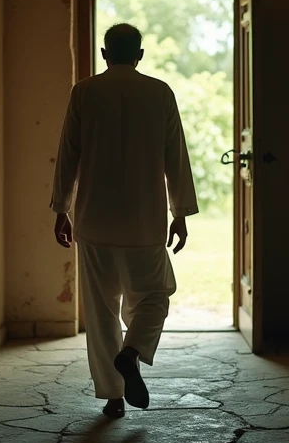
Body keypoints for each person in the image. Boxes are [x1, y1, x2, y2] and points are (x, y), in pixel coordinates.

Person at [50, 23, 199, 418]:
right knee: (154, 295)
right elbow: (175, 157)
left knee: (100, 311)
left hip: (94, 220)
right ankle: (131, 353)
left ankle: (113, 397)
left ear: (104, 54)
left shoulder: (84, 92)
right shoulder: (159, 93)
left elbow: (68, 155)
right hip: (143, 219)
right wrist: (180, 213)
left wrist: (61, 209)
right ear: (141, 54)